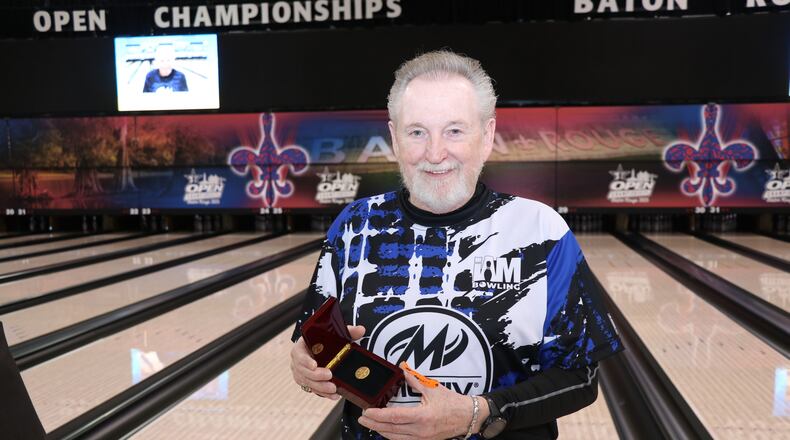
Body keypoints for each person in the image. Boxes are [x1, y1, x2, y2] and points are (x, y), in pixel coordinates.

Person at [290, 50, 623, 439]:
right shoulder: (354, 227)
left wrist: (478, 413)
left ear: (487, 136)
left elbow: (581, 379)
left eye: (454, 130)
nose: (435, 153)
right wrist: (304, 366)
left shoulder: (541, 231)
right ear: (394, 139)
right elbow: (313, 342)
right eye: (417, 132)